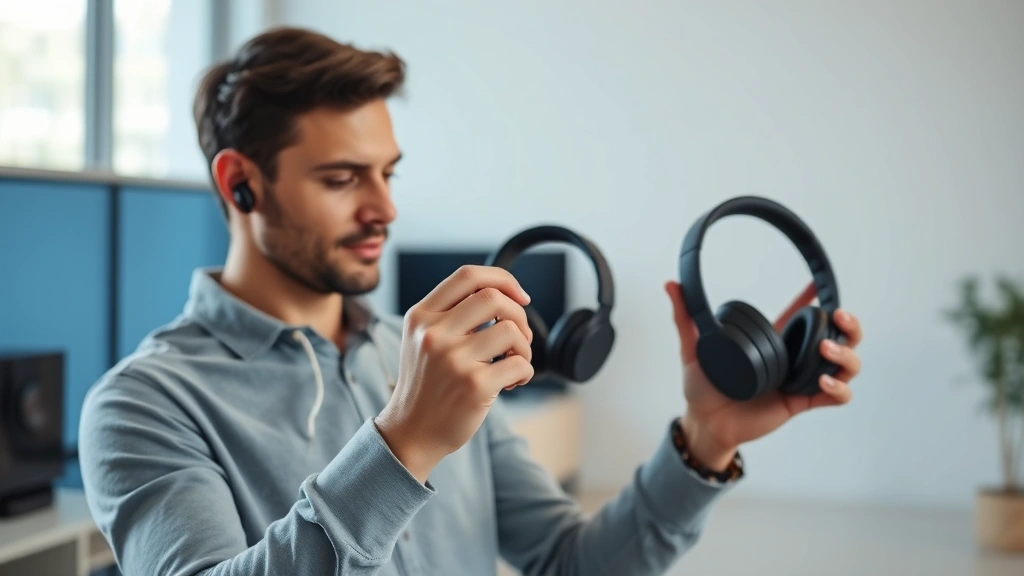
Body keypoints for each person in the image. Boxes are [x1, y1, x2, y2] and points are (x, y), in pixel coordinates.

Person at [78, 27, 864, 576]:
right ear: (239, 183)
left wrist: (705, 441)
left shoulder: (420, 361)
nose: (383, 209)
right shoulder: (143, 404)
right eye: (343, 178)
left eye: (389, 172)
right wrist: (401, 446)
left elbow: (571, 564)